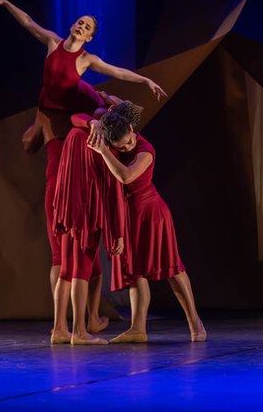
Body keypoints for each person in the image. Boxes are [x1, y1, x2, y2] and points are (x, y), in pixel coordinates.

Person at [0, 0, 166, 345]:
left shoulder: (87, 59)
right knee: (34, 139)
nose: (81, 26)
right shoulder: (53, 43)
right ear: (72, 26)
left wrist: (144, 81)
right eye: (79, 22)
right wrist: (7, 3)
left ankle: (78, 325)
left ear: (91, 36)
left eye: (87, 26)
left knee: (100, 108)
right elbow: (28, 22)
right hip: (51, 110)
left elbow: (117, 71)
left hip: (71, 110)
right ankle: (73, 327)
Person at [85, 100, 206, 343]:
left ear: (132, 128)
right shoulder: (115, 141)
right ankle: (137, 328)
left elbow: (127, 177)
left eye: (129, 140)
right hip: (128, 216)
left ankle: (195, 322)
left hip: (151, 213)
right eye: (122, 145)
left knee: (172, 268)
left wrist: (104, 151)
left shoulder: (145, 149)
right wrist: (95, 123)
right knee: (135, 272)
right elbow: (91, 115)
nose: (129, 146)